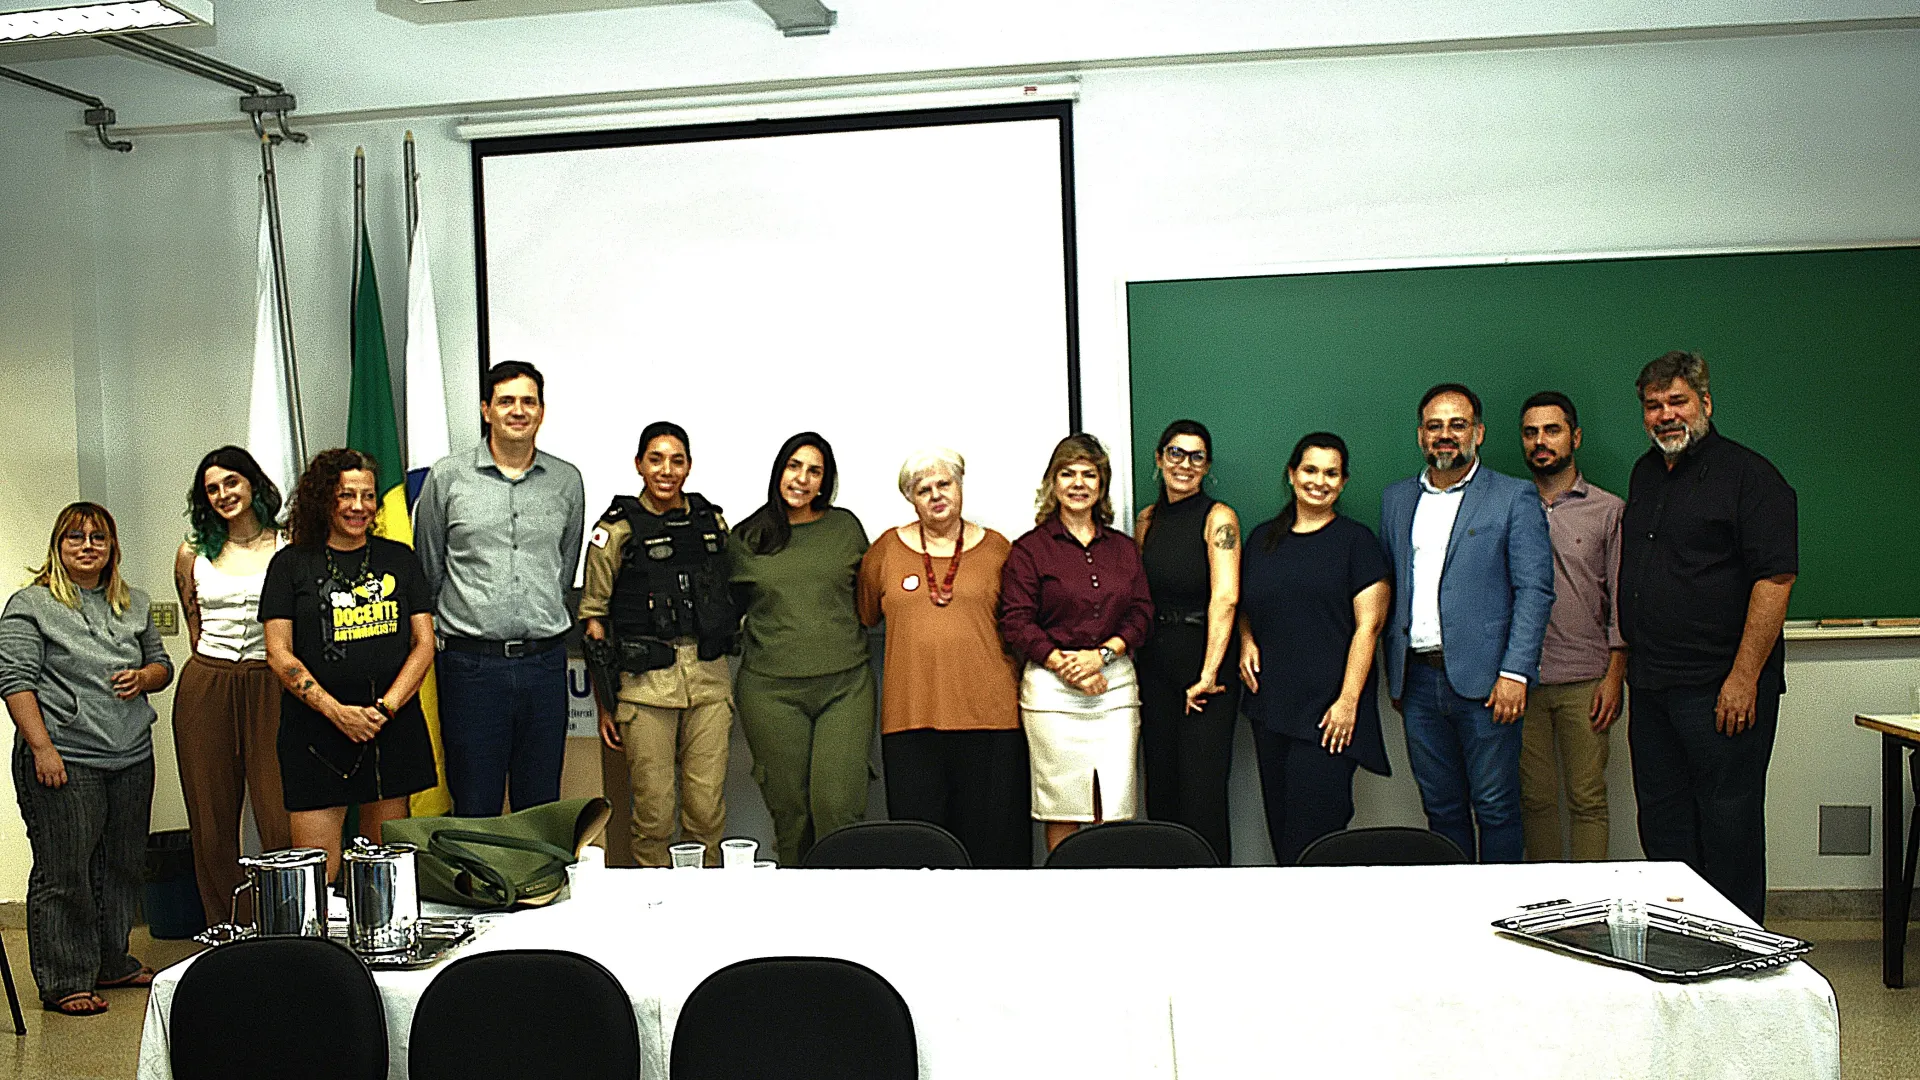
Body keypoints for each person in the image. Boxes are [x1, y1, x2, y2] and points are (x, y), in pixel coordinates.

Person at [1619, 351, 1795, 923]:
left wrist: (1744, 679)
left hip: (1720, 690)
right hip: (1653, 687)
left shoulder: (1751, 477)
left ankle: (1739, 950)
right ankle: (1681, 940)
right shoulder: (1645, 473)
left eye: (1678, 401)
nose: (1666, 415)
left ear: (1706, 404)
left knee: (1728, 829)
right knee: (1663, 826)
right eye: (1653, 405)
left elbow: (1775, 580)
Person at [0, 503, 172, 1015]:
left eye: (99, 537)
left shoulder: (132, 603)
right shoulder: (30, 605)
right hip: (65, 757)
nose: (88, 546)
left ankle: (111, 961)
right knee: (65, 871)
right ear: (58, 545)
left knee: (122, 865)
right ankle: (64, 979)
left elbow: (161, 665)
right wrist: (42, 749)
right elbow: (15, 681)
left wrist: (144, 678)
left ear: (112, 547)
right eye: (75, 537)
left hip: (131, 754)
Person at [1380, 383, 1554, 864]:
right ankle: (1452, 904)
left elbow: (1535, 590)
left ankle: (1500, 906)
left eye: (1457, 425)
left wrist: (1515, 672)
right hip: (1417, 681)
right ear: (1421, 435)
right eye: (1434, 426)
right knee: (1441, 809)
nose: (1445, 435)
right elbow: (1392, 586)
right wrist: (1395, 673)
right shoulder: (1396, 500)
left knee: (1496, 808)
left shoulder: (1513, 496)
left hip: (1489, 685)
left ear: (1478, 432)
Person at [413, 361, 585, 816]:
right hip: (472, 668)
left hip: (544, 665)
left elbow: (563, 568)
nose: (518, 411)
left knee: (540, 803)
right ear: (486, 409)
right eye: (506, 401)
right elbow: (429, 567)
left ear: (542, 411)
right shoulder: (448, 477)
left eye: (529, 401)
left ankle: (536, 870)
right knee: (475, 803)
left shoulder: (567, 480)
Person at [262, 449, 438, 880]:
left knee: (383, 874)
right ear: (324, 498)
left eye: (368, 496)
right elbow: (278, 653)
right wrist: (337, 712)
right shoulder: (290, 564)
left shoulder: (400, 559)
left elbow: (424, 644)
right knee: (316, 875)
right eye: (346, 495)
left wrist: (384, 709)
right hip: (316, 733)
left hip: (388, 727)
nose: (359, 506)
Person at [858, 448, 1028, 868]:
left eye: (944, 484)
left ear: (960, 485)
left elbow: (1021, 622)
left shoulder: (998, 549)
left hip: (990, 719)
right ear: (910, 498)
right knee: (922, 852)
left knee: (995, 851)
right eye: (923, 489)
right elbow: (866, 614)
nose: (936, 495)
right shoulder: (885, 550)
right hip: (911, 719)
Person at [578, 422, 736, 867]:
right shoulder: (616, 530)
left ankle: (705, 895)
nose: (667, 470)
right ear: (639, 465)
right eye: (656, 459)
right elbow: (594, 621)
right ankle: (655, 900)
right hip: (645, 687)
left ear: (689, 466)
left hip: (708, 680)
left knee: (706, 811)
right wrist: (606, 703)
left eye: (677, 460)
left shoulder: (711, 522)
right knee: (654, 814)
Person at [1238, 434, 1392, 864]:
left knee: (1316, 839)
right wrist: (1245, 640)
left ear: (1343, 482)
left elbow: (1369, 627)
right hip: (1271, 706)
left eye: (1331, 473)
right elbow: (1245, 604)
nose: (1319, 481)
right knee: (1282, 832)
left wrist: (1348, 702)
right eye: (1310, 470)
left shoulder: (1356, 542)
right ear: (1292, 474)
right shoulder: (1262, 539)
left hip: (1329, 713)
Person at [1000, 433, 1154, 852]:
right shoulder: (1030, 550)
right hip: (1052, 692)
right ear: (1052, 483)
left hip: (1114, 687)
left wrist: (1101, 657)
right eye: (1068, 473)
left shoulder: (1123, 548)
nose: (1078, 483)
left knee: (1113, 805)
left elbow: (1141, 613)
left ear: (1102, 485)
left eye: (1089, 474)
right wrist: (1066, 666)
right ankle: (1064, 885)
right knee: (1063, 805)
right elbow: (1016, 621)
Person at [728, 433, 874, 867]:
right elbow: (726, 611)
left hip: (845, 687)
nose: (802, 479)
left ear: (825, 481)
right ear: (779, 471)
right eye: (794, 466)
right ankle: (795, 900)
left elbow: (869, 597)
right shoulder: (747, 536)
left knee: (837, 809)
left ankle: (841, 900)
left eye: (814, 471)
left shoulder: (845, 528)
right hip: (771, 693)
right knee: (791, 816)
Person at [170, 446, 294, 926]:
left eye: (231, 482)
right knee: (212, 817)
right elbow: (194, 625)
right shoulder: (192, 552)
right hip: (209, 683)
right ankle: (226, 924)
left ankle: (285, 922)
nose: (223, 494)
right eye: (212, 489)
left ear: (252, 483)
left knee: (280, 811)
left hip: (272, 683)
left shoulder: (288, 544)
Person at [1517, 392, 1627, 862]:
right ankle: (1544, 901)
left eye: (1552, 430)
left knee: (1588, 800)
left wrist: (1615, 676)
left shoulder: (1608, 510)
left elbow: (1621, 601)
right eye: (1530, 433)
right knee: (1534, 801)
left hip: (1587, 680)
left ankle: (1588, 901)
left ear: (1575, 437)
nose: (1540, 441)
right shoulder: (1509, 504)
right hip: (1522, 680)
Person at [1133, 420, 1240, 862]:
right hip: (1155, 665)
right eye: (1176, 453)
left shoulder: (1219, 518)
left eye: (1197, 457)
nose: (1185, 464)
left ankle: (1212, 889)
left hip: (1205, 669)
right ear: (1159, 458)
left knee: (1202, 793)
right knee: (1161, 788)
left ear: (1207, 466)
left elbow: (1226, 597)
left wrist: (1208, 673)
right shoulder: (1146, 520)